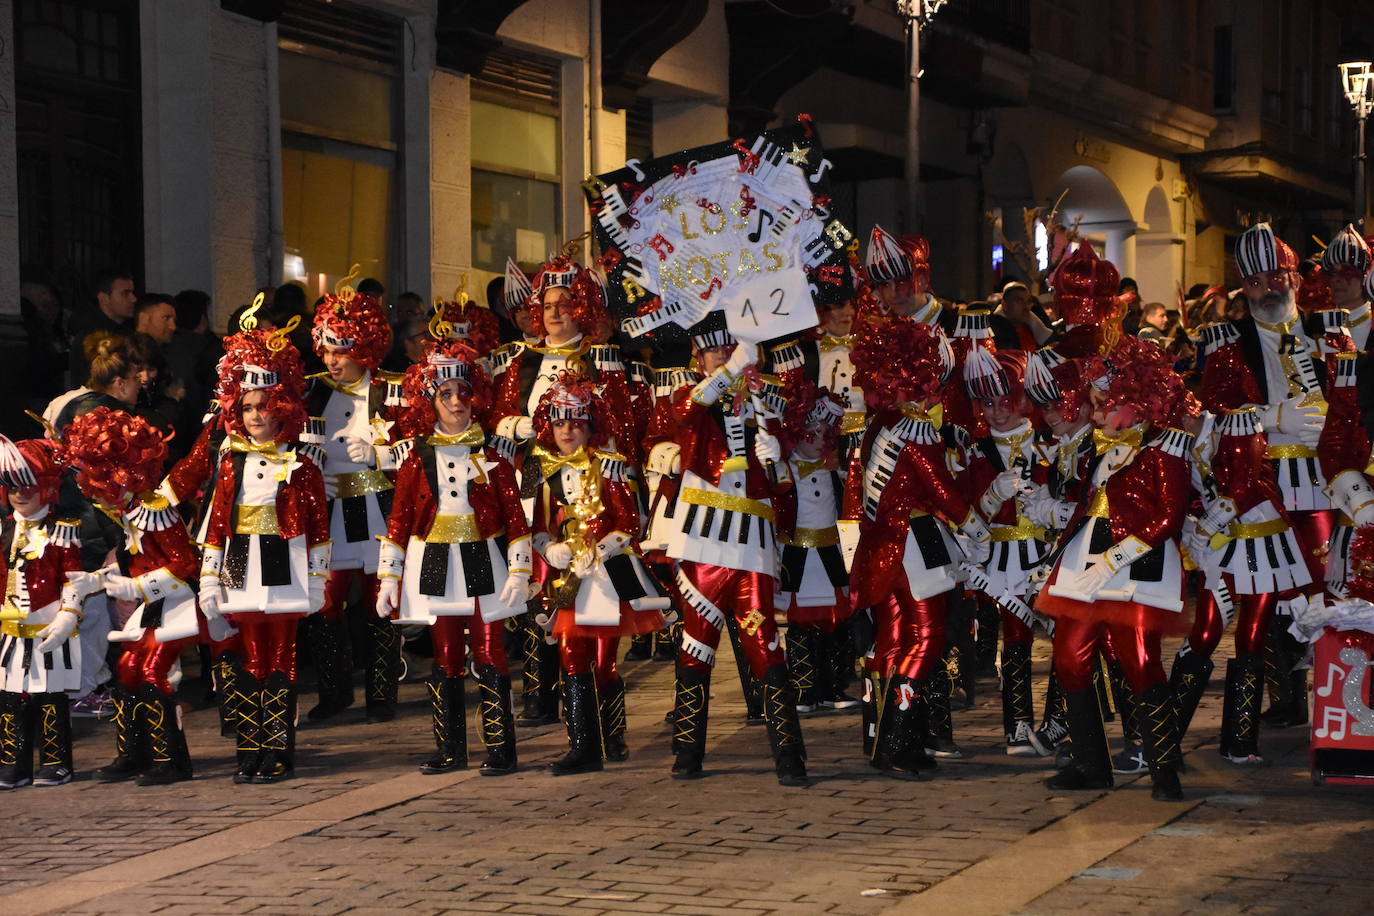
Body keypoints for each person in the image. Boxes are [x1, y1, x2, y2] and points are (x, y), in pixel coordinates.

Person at [1035, 336, 1198, 801]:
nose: (1097, 412)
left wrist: (1116, 557)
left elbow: (1169, 516)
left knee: (1140, 661)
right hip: (1087, 562)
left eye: (1106, 404)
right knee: (1068, 655)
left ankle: (1165, 767)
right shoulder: (1098, 449)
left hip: (1137, 564)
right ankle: (1090, 763)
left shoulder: (1164, 451)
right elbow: (1086, 506)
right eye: (1096, 403)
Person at [1202, 223, 1350, 729]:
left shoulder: (1330, 333)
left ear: (1293, 275)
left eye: (1275, 275)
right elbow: (1211, 414)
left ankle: (1336, 706)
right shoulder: (1226, 346)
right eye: (1256, 280)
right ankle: (1279, 701)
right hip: (1261, 482)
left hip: (1324, 483)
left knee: (1327, 586)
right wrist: (1269, 417)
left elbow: (1356, 402)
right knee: (1262, 596)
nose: (1268, 286)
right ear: (1244, 287)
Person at [843, 318, 990, 779]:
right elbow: (939, 488)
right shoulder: (915, 429)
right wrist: (975, 526)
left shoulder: (879, 424)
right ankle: (896, 744)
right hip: (914, 544)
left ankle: (880, 739)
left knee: (890, 640)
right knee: (926, 637)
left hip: (881, 543)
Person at [665, 315, 807, 786]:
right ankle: (687, 753)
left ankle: (790, 757)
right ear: (698, 357)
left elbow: (786, 487)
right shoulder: (692, 399)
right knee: (695, 646)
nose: (722, 356)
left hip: (753, 546)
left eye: (731, 348)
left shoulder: (767, 401)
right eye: (713, 351)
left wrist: (777, 458)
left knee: (765, 645)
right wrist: (730, 372)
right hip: (704, 541)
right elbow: (685, 409)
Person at [377, 339, 530, 776]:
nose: (457, 401)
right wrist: (389, 580)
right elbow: (399, 522)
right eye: (446, 394)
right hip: (435, 564)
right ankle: (451, 749)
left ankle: (501, 748)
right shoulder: (414, 459)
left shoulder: (495, 456)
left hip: (484, 560)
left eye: (463, 392)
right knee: (444, 656)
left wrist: (519, 571)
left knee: (489, 652)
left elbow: (516, 519)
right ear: (431, 401)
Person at [198, 324, 330, 783]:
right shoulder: (228, 461)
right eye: (248, 408)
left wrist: (317, 581)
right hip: (240, 563)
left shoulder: (304, 463)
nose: (255, 416)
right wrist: (209, 578)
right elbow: (217, 523)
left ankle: (278, 751)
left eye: (264, 408)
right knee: (250, 657)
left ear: (283, 411)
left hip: (286, 561)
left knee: (283, 658)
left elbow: (318, 529)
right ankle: (249, 750)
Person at [528, 373, 668, 773]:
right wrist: (548, 548)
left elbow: (630, 524)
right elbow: (533, 526)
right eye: (559, 422)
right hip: (566, 579)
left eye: (576, 422)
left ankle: (614, 735)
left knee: (605, 660)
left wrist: (601, 550)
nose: (567, 430)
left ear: (590, 426)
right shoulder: (538, 471)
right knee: (572, 655)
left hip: (607, 578)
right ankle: (582, 745)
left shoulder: (609, 467)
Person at [63, 408, 202, 786]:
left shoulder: (158, 512)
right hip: (153, 607)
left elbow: (185, 564)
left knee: (152, 671)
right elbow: (131, 564)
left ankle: (169, 759)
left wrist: (137, 588)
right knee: (126, 670)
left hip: (181, 605)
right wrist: (94, 581)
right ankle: (133, 752)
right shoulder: (129, 514)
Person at [304, 277, 402, 723]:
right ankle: (334, 690)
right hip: (331, 512)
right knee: (326, 601)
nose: (331, 360)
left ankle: (382, 692)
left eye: (340, 350)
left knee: (381, 599)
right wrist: (309, 478)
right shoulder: (312, 392)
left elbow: (421, 445)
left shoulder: (392, 390)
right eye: (326, 350)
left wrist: (382, 455)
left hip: (379, 508)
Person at [960, 351, 1052, 755]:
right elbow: (965, 509)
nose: (996, 412)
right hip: (1001, 557)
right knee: (1015, 639)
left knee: (1070, 634)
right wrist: (993, 495)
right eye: (988, 404)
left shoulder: (1050, 442)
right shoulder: (976, 451)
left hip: (1048, 552)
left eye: (1004, 402)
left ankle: (1066, 720)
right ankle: (1017, 726)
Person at [0, 435, 88, 789]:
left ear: (48, 486)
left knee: (49, 698)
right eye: (11, 486)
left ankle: (56, 762)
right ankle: (13, 763)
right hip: (9, 633)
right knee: (10, 700)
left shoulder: (63, 531)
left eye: (28, 485)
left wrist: (68, 615)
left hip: (50, 628)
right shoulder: (4, 529)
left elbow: (75, 580)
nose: (20, 494)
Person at [772, 384, 853, 715]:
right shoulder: (782, 470)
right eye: (811, 431)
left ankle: (833, 688)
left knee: (834, 625)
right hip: (796, 556)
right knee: (800, 625)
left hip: (831, 555)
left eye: (824, 432)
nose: (818, 438)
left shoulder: (836, 472)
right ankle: (803, 690)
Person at [52, 334, 143, 434]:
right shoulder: (110, 421)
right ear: (120, 383)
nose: (140, 384)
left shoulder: (75, 402)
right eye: (136, 378)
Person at [68, 269, 136, 387]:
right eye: (125, 293)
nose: (133, 299)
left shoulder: (128, 333)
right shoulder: (90, 338)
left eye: (132, 293)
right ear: (104, 298)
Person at [1321, 225, 1372, 350]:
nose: (1336, 279)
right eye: (1332, 272)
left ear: (1364, 275)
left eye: (1346, 272)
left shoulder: (1371, 324)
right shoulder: (1318, 325)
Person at [990, 281, 1055, 351]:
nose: (1026, 306)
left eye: (1028, 302)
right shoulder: (993, 333)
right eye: (1019, 301)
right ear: (1004, 305)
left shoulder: (1033, 329)